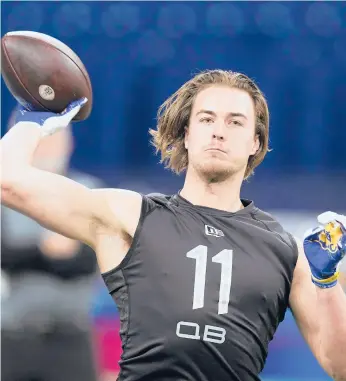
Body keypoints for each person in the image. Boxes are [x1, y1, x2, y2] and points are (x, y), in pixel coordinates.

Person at [1, 70, 346, 381]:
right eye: (206, 119)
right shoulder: (132, 216)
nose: (218, 132)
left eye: (235, 122)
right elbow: (7, 181)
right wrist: (33, 120)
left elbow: (339, 366)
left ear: (255, 141)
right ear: (186, 133)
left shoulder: (284, 249)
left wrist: (328, 283)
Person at [1, 113, 101, 381]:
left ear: (70, 143)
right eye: (42, 138)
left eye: (56, 138)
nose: (49, 145)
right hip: (11, 336)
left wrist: (46, 258)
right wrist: (44, 250)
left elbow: (93, 259)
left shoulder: (89, 192)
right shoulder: (3, 194)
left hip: (71, 337)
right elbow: (4, 255)